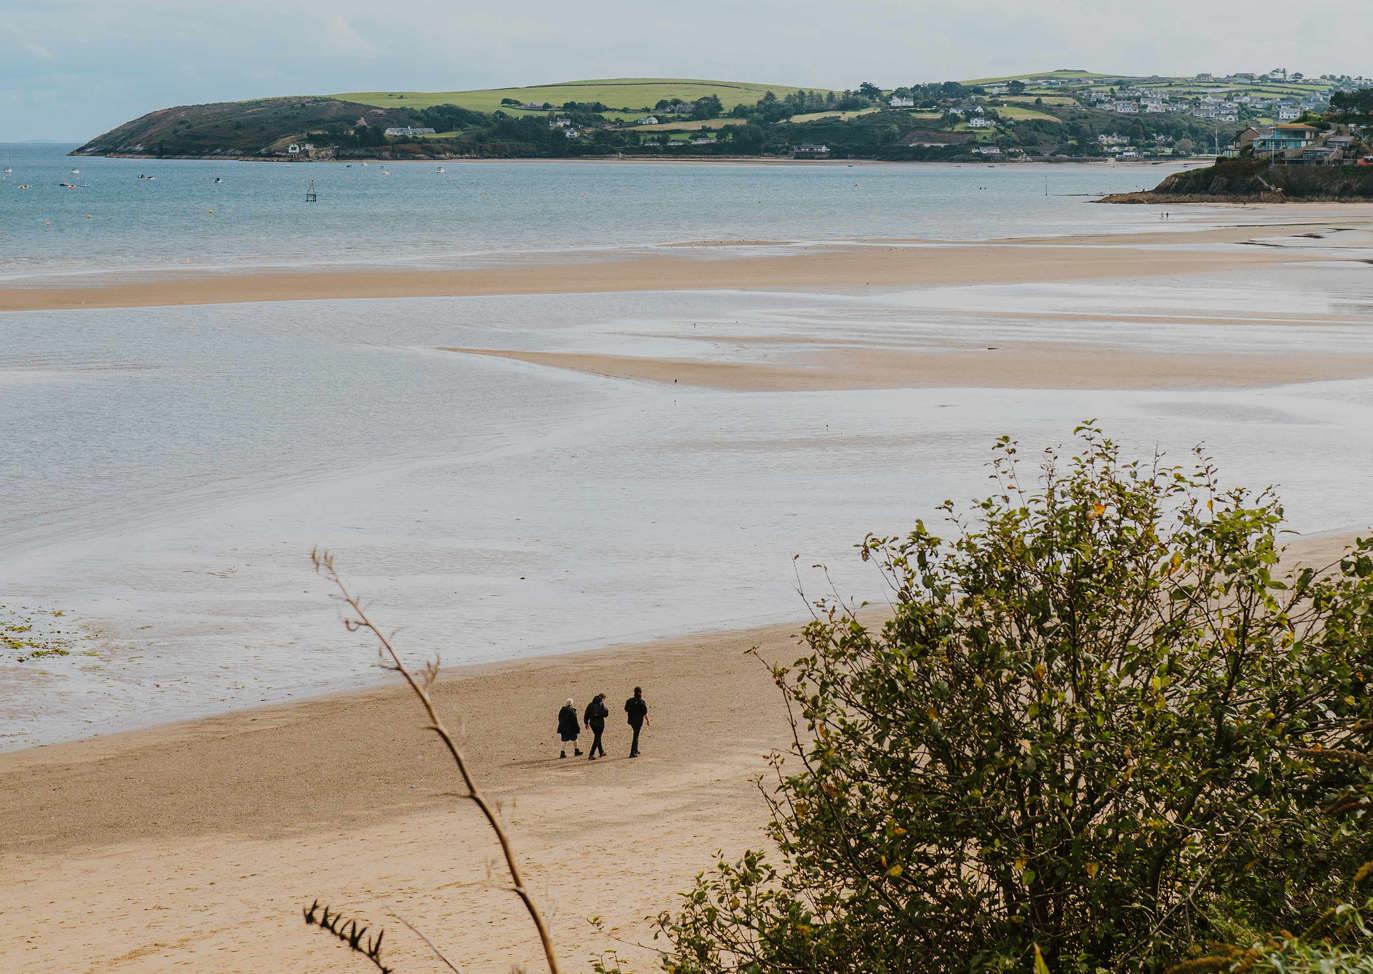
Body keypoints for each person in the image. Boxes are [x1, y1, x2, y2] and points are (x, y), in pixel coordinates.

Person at [624, 686, 649, 757]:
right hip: (639, 721)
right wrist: (647, 720)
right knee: (635, 736)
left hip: (631, 720)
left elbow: (626, 709)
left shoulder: (629, 701)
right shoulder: (642, 702)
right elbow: (645, 712)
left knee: (636, 734)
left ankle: (636, 750)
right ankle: (632, 753)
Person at [583, 693, 609, 760]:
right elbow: (606, 714)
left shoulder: (590, 704)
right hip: (600, 724)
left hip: (592, 724)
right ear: (602, 698)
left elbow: (586, 714)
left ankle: (601, 752)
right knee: (597, 738)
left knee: (597, 737)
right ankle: (591, 754)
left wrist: (586, 723)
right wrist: (599, 714)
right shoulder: (602, 704)